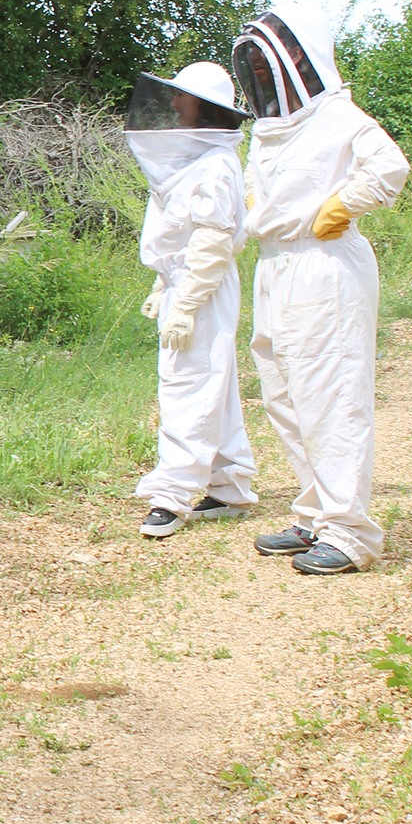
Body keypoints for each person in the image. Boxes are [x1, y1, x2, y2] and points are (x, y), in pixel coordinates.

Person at [230, 6, 410, 575]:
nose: (263, 76)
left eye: (270, 64)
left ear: (301, 60)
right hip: (275, 263)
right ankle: (315, 514)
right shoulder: (269, 130)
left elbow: (389, 166)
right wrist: (256, 203)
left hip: (325, 264)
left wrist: (343, 205)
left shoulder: (339, 116)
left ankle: (350, 532)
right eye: (255, 67)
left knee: (330, 392)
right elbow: (257, 181)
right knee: (284, 394)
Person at [122, 63, 258, 540]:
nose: (175, 103)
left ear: (205, 107)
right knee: (213, 383)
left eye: (183, 96)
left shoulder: (216, 165)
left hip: (204, 286)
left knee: (187, 385)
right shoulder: (195, 160)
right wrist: (164, 286)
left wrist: (186, 304)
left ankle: (172, 496)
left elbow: (213, 242)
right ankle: (229, 487)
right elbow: (183, 236)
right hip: (190, 283)